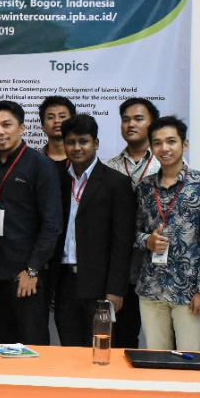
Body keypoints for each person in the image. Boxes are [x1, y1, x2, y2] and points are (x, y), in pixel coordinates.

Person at [134, 116, 200, 351]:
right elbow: (132, 232)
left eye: (171, 141)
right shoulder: (144, 187)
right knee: (157, 358)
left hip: (189, 291)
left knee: (190, 359)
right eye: (157, 143)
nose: (164, 148)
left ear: (185, 144)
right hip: (151, 288)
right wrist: (147, 241)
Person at [0, 101, 63, 345]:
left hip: (26, 275)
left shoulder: (40, 165)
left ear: (22, 128)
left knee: (31, 343)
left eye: (7, 125)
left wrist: (33, 269)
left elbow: (52, 224)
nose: (0, 132)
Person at [50, 115, 136, 346]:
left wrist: (116, 289)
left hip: (100, 284)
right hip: (64, 281)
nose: (77, 148)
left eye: (83, 141)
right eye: (71, 142)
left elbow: (122, 241)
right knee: (68, 348)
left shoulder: (116, 183)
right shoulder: (56, 178)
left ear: (96, 143)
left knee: (99, 350)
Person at [105, 97, 160, 350]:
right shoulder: (109, 168)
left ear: (152, 124)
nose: (130, 124)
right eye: (125, 119)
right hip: (121, 273)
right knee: (121, 341)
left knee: (160, 343)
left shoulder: (165, 166)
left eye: (138, 119)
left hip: (157, 271)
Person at [38, 95, 75, 165]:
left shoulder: (84, 161)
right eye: (51, 117)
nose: (57, 121)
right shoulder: (34, 162)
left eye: (62, 116)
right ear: (43, 126)